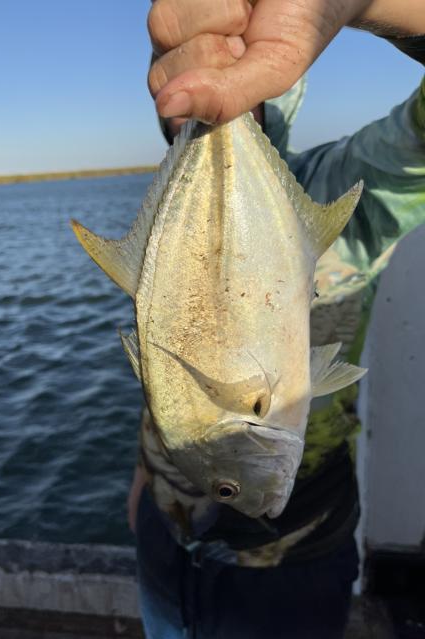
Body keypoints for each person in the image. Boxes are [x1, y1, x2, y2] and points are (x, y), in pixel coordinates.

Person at [128, 1, 425, 637]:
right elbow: (171, 379)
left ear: (276, 85)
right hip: (164, 535)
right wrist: (144, 483)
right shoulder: (176, 213)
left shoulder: (350, 190)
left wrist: (372, 3)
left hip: (292, 562)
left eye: (225, 60)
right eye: (179, 78)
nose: (198, 99)